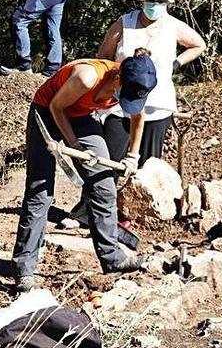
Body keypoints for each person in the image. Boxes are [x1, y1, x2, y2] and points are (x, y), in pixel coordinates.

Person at [12, 49, 158, 292]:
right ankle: (24, 269)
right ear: (118, 78)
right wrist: (75, 144)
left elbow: (137, 118)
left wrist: (133, 156)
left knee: (104, 184)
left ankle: (113, 258)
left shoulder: (135, 85)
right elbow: (57, 106)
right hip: (47, 112)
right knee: (40, 191)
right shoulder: (87, 77)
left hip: (80, 116)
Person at [97, 0, 206, 164]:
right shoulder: (125, 23)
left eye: (160, 1)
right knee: (110, 161)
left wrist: (176, 63)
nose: (154, 5)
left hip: (157, 105)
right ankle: (104, 194)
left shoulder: (173, 26)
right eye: (150, 0)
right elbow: (104, 55)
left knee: (148, 166)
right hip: (121, 103)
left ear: (167, 3)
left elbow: (199, 45)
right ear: (142, 0)